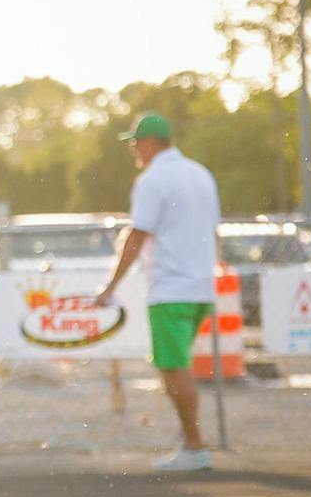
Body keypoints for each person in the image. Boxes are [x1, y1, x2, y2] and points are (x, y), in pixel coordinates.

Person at [95, 112, 221, 472]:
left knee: (172, 368)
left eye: (136, 142)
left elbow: (138, 234)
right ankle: (191, 442)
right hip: (199, 286)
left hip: (171, 288)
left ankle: (195, 446)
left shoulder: (153, 180)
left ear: (150, 143)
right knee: (177, 366)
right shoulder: (200, 173)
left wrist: (111, 287)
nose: (134, 149)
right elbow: (212, 231)